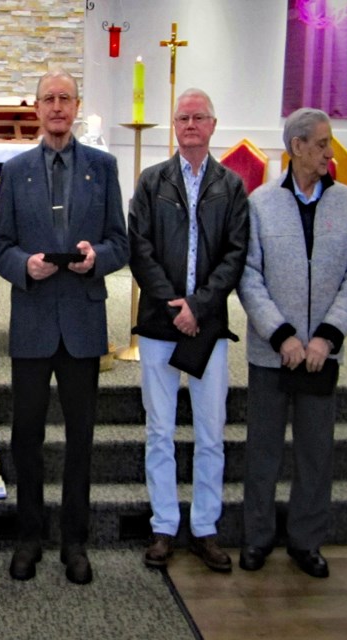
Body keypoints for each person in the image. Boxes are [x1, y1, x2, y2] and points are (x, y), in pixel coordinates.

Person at [0, 69, 128, 585]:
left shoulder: (103, 166)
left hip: (81, 320)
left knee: (81, 439)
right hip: (31, 321)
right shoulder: (16, 169)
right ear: (36, 108)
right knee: (26, 436)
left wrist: (97, 258)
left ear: (76, 106)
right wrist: (23, 266)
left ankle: (75, 542)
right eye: (48, 99)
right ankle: (29, 537)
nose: (56, 107)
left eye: (64, 98)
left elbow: (121, 240)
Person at [237, 107, 347, 578]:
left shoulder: (346, 203)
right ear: (296, 147)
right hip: (272, 353)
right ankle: (257, 537)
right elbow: (248, 276)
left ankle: (307, 541)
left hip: (320, 356)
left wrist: (326, 337)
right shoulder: (261, 202)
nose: (329, 153)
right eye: (321, 144)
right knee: (263, 451)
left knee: (317, 452)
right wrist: (283, 335)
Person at [128, 88, 249, 572]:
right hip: (161, 323)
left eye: (200, 117)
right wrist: (172, 303)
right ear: (174, 125)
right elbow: (140, 248)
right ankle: (163, 526)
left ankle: (204, 528)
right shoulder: (152, 181)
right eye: (183, 117)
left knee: (210, 432)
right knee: (159, 429)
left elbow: (236, 253)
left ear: (213, 125)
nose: (191, 124)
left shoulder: (231, 186)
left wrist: (198, 306)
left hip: (207, 325)